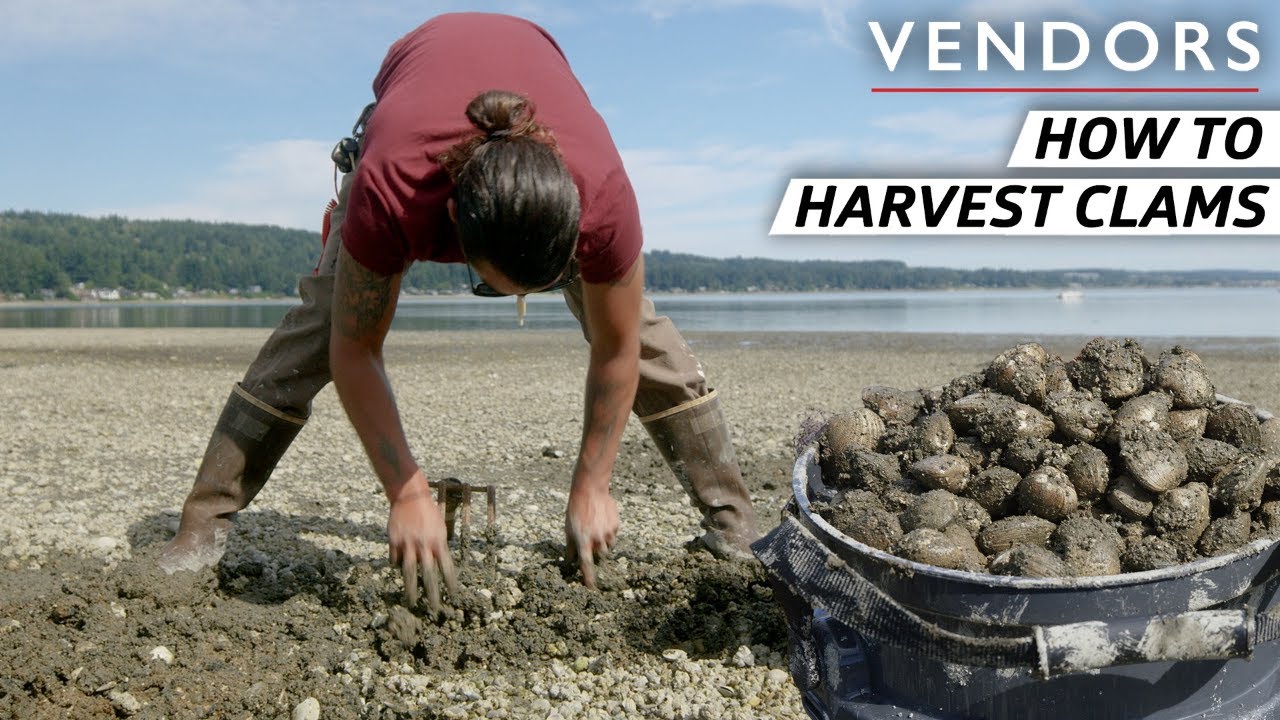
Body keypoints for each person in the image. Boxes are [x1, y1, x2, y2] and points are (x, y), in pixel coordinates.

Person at [157, 12, 759, 612]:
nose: (519, 303)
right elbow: (354, 348)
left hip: (545, 121)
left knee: (642, 332)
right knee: (322, 324)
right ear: (451, 231)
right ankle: (202, 525)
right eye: (498, 288)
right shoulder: (395, 188)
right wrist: (406, 492)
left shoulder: (602, 198)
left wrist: (594, 482)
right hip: (412, 111)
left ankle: (735, 524)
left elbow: (618, 347)